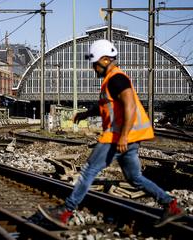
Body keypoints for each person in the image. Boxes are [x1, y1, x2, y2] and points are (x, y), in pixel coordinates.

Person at [39, 39, 186, 229]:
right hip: (129, 139)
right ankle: (171, 205)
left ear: (106, 60)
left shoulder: (117, 78)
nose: (93, 68)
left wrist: (123, 135)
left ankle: (65, 212)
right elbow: (105, 107)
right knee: (135, 178)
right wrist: (85, 114)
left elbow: (130, 105)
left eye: (95, 63)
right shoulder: (111, 81)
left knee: (88, 172)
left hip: (117, 137)